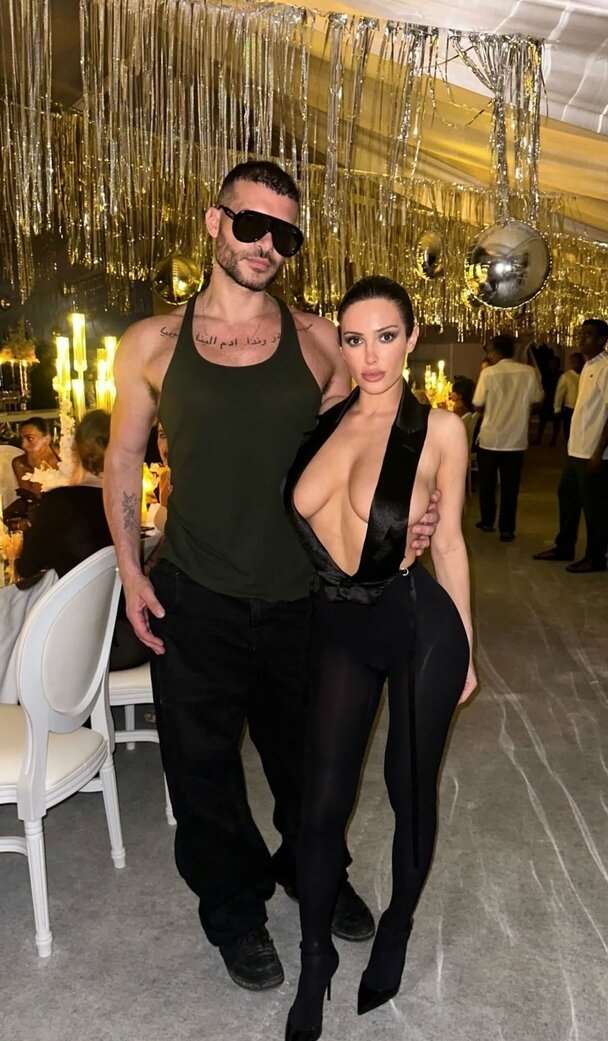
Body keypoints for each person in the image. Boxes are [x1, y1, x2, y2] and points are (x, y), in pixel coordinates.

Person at [103, 160, 439, 991]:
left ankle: (311, 866)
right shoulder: (151, 344)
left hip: (306, 596)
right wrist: (129, 571)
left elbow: (373, 435)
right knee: (202, 770)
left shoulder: (320, 342)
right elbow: (121, 461)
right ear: (214, 221)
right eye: (250, 225)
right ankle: (234, 908)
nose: (266, 246)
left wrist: (413, 510)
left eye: (284, 235)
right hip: (194, 590)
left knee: (312, 762)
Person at [283, 276, 475, 1040]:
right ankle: (316, 958)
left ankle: (396, 925)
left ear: (412, 338)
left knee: (407, 787)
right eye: (355, 338)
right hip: (340, 623)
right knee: (319, 805)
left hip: (417, 623)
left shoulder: (439, 430)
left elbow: (448, 542)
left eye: (386, 336)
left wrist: (468, 649)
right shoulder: (324, 423)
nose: (371, 355)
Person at [17, 409, 150, 670]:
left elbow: (26, 568)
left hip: (85, 647)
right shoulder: (127, 506)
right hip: (132, 638)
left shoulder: (58, 503)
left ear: (75, 451)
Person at [533, 319, 608, 573]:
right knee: (567, 497)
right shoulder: (589, 365)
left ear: (602, 340)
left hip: (593, 452)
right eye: (580, 333)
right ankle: (564, 546)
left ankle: (596, 557)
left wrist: (598, 453)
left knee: (594, 508)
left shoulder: (605, 367)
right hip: (577, 449)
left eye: (588, 334)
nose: (581, 338)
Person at [473, 333, 543, 542]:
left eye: (490, 351)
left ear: (496, 352)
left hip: (491, 437)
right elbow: (537, 400)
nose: (489, 355)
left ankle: (487, 521)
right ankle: (507, 529)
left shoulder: (488, 373)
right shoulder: (528, 372)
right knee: (510, 487)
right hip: (516, 439)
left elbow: (477, 403)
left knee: (487, 484)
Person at [11, 416, 60, 498]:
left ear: (47, 439)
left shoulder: (64, 457)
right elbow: (32, 498)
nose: (23, 445)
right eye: (22, 439)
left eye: (30, 438)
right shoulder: (19, 463)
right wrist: (37, 468)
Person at [553, 351, 583, 444]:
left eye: (578, 362)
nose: (576, 364)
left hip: (581, 407)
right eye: (574, 362)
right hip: (569, 408)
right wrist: (557, 408)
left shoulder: (584, 374)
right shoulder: (566, 376)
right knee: (568, 428)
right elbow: (559, 393)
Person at [534, 353, 561, 446]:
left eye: (554, 363)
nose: (552, 365)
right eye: (551, 363)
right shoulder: (545, 374)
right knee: (542, 420)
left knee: (556, 422)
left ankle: (553, 439)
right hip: (547, 399)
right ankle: (538, 438)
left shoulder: (561, 375)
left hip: (557, 399)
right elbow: (541, 386)